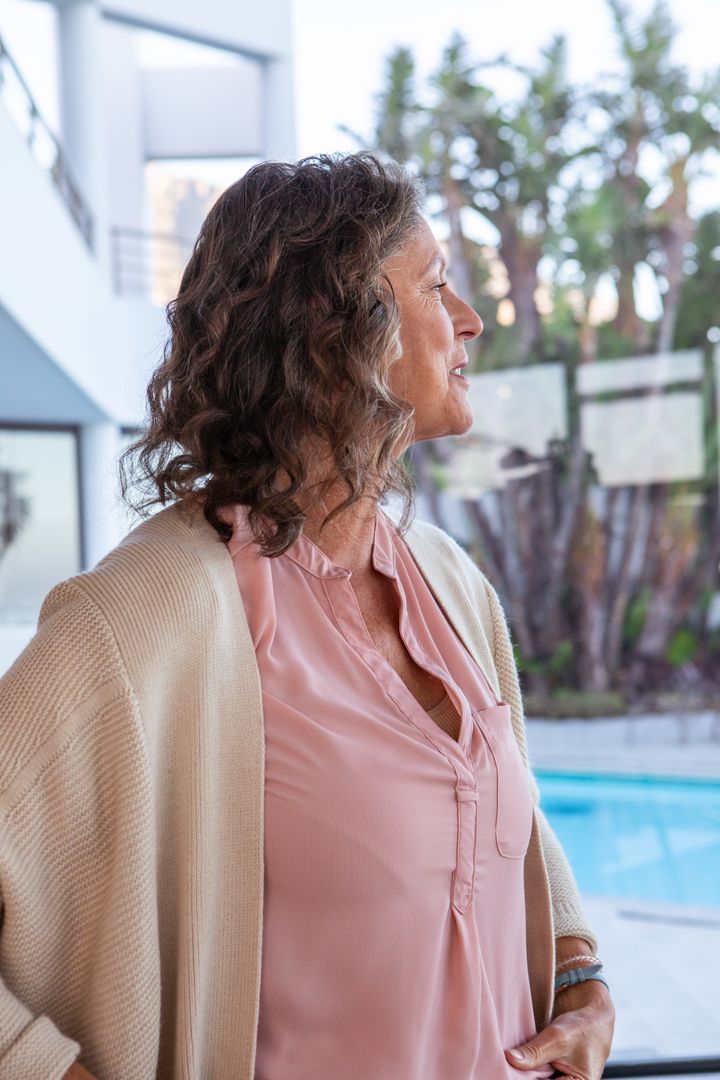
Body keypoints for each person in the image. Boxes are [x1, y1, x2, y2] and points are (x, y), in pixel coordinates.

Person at [0, 153, 614, 1080]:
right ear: (337, 334)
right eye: (437, 286)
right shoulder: (146, 618)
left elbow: (498, 813)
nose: (469, 321)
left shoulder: (450, 584)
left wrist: (580, 980)